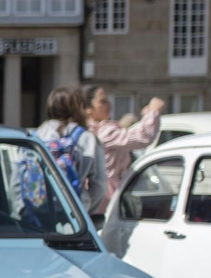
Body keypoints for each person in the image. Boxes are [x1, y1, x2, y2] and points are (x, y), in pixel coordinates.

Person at [33, 87, 107, 217]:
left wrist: (23, 209)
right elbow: (99, 186)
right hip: (74, 215)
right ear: (79, 108)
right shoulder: (87, 138)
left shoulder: (35, 136)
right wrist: (84, 209)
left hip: (36, 211)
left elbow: (16, 179)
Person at [86, 88, 164, 202]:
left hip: (101, 192)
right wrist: (153, 111)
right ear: (88, 109)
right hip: (108, 194)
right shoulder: (104, 133)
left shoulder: (93, 131)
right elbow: (144, 136)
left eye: (107, 100)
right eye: (102, 101)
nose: (108, 104)